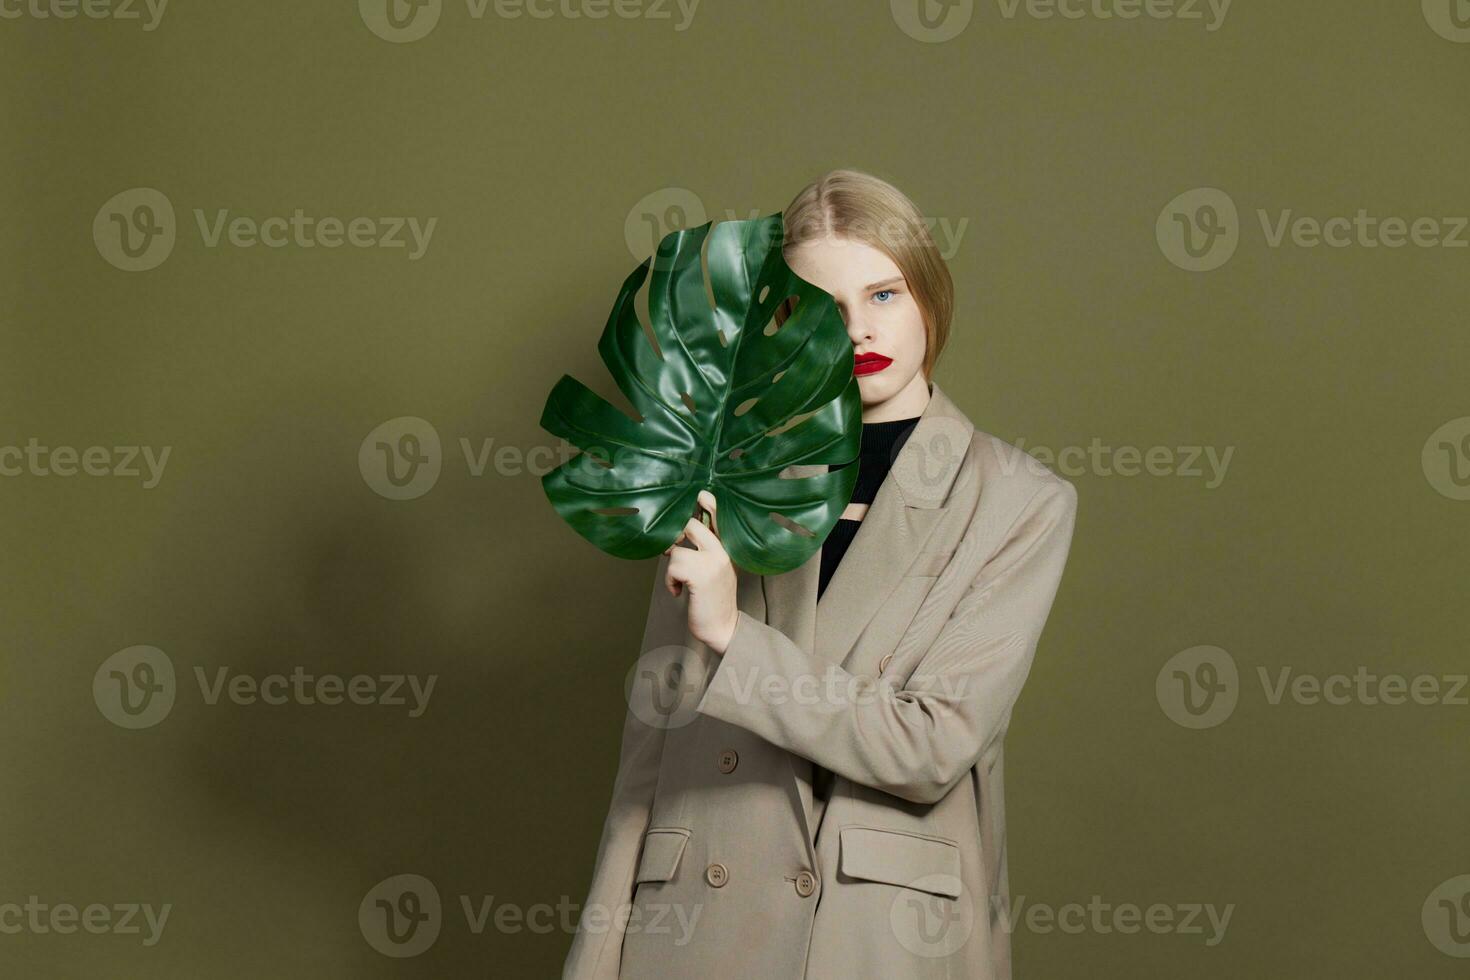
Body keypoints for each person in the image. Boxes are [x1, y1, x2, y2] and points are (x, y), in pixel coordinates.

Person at [563, 169, 1078, 979]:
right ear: (781, 321)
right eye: (822, 306)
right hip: (695, 931)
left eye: (884, 295)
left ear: (929, 297)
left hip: (873, 936)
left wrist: (734, 636)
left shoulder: (1016, 500)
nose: (859, 328)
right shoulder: (722, 474)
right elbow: (651, 748)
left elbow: (930, 744)